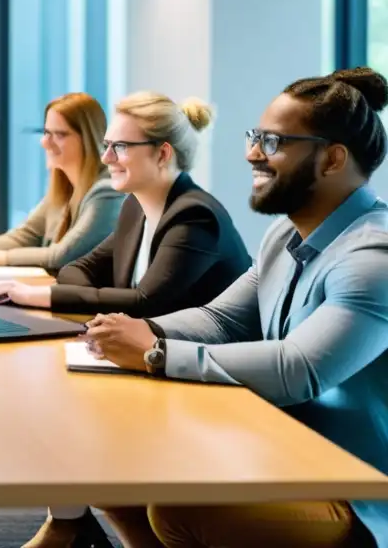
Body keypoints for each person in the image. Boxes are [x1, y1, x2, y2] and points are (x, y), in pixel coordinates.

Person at [82, 68, 388, 548]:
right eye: (254, 137)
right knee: (118, 462)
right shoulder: (286, 236)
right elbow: (221, 319)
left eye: (273, 141)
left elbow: (300, 368)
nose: (251, 153)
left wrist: (156, 353)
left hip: (357, 493)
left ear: (331, 159)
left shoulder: (374, 257)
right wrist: (134, 331)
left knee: (179, 506)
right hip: (284, 449)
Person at [0, 92, 252, 548]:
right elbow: (81, 268)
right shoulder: (137, 205)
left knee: (66, 405)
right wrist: (75, 292)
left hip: (204, 378)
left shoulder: (195, 215)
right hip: (150, 361)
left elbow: (148, 301)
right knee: (49, 389)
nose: (107, 157)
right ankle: (69, 523)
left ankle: (69, 527)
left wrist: (43, 294)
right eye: (107, 145)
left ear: (162, 152)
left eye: (119, 147)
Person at [0, 92, 123, 273]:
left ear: (88, 138)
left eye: (60, 134)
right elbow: (24, 237)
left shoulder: (107, 191)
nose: (45, 142)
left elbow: (61, 255)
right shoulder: (64, 188)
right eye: (46, 132)